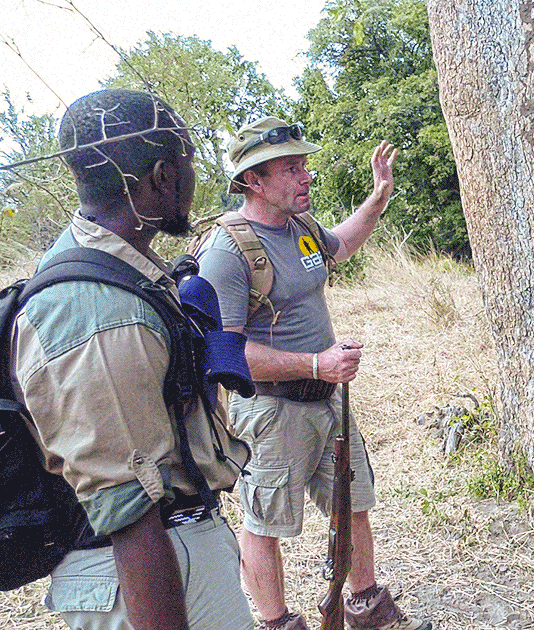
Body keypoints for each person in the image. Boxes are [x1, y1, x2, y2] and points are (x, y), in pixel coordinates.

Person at [12, 89, 254, 629]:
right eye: (188, 161)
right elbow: (128, 510)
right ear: (163, 176)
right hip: (143, 571)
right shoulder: (96, 313)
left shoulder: (126, 272)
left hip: (175, 551)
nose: (194, 176)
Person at [195, 116, 429, 630]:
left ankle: (366, 606)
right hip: (271, 411)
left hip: (329, 400)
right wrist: (316, 363)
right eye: (290, 168)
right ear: (252, 181)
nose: (305, 177)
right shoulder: (227, 253)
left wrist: (378, 197)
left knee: (354, 501)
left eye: (305, 166)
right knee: (264, 523)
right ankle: (278, 623)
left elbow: (340, 245)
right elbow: (226, 353)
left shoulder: (301, 227)